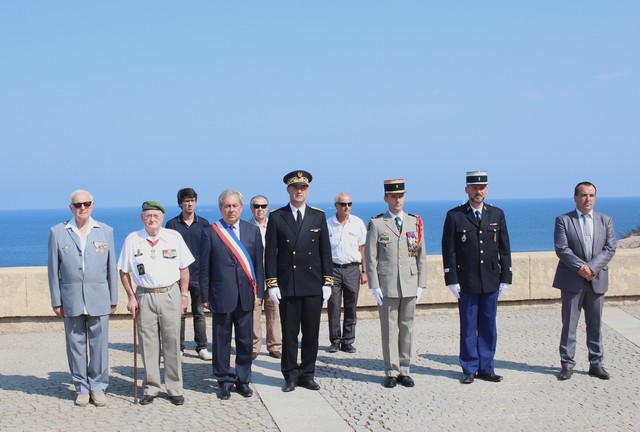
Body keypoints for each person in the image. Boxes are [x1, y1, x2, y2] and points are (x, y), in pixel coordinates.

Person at [118, 201, 194, 406]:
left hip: (170, 294)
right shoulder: (133, 240)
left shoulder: (173, 237)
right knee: (148, 344)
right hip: (144, 296)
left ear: (162, 218)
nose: (151, 219)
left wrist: (184, 295)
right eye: (148, 216)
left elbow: (184, 268)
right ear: (142, 218)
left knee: (172, 342)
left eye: (155, 216)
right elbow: (123, 271)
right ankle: (151, 387)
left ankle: (174, 388)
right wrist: (131, 296)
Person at [47, 190, 118, 407]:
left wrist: (113, 298)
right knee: (75, 345)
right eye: (78, 205)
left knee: (99, 346)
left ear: (92, 205)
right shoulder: (58, 232)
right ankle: (81, 387)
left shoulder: (106, 231)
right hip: (71, 299)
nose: (82, 208)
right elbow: (53, 270)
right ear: (71, 208)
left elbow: (111, 267)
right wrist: (56, 301)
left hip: (99, 297)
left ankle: (98, 386)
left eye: (86, 203)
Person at [265, 170, 333, 392]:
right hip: (289, 285)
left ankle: (308, 374)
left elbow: (325, 251)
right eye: (295, 187)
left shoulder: (317, 216)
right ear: (288, 190)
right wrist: (272, 283)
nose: (299, 191)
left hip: (312, 284)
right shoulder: (277, 216)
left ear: (308, 190)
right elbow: (270, 254)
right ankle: (290, 375)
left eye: (303, 188)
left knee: (311, 333)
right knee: (290, 334)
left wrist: (327, 281)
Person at [441, 171, 512, 385]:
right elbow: (449, 250)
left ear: (487, 190)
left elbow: (504, 248)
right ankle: (469, 368)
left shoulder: (497, 214)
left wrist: (506, 276)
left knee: (489, 326)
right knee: (469, 327)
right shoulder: (455, 216)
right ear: (467, 190)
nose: (478, 191)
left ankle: (486, 367)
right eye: (474, 188)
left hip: (491, 279)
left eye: (481, 188)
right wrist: (451, 279)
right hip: (467, 281)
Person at [200, 190, 264, 400]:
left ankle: (243, 380)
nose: (231, 209)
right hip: (220, 295)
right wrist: (205, 296)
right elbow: (204, 268)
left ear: (241, 207)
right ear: (221, 208)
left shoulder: (252, 231)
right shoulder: (211, 232)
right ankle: (224, 381)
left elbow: (259, 264)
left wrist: (260, 293)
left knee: (245, 341)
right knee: (221, 342)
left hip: (246, 295)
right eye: (227, 206)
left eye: (235, 205)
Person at [365, 179, 426, 388]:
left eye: (400, 196)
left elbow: (420, 255)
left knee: (407, 328)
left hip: (409, 283)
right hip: (388, 285)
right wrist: (374, 285)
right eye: (393, 196)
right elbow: (371, 257)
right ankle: (391, 370)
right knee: (389, 330)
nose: (397, 200)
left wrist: (421, 284)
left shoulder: (414, 222)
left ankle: (405, 370)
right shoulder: (377, 224)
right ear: (386, 198)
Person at [553, 181, 616, 381]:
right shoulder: (563, 220)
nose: (588, 199)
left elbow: (610, 248)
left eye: (591, 195)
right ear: (575, 197)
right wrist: (582, 268)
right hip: (571, 281)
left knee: (595, 324)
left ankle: (596, 364)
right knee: (569, 324)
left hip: (597, 280)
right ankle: (567, 364)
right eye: (583, 195)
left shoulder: (605, 220)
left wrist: (592, 268)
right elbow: (561, 248)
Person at [165, 188, 212, 361]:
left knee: (199, 313)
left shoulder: (204, 223)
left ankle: (202, 347)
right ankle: (179, 347)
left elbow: (208, 250)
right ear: (180, 203)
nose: (190, 204)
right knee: (180, 314)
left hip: (199, 275)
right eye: (186, 201)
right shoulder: (172, 224)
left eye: (192, 200)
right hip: (178, 277)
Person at [326, 192, 367, 354]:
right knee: (333, 306)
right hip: (333, 269)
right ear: (336, 205)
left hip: (352, 269)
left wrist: (364, 271)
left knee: (351, 306)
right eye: (343, 204)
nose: (347, 207)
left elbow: (362, 249)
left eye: (349, 204)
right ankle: (335, 340)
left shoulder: (358, 223)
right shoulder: (328, 224)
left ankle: (348, 341)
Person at [247, 195, 282, 359]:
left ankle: (275, 346)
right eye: (256, 206)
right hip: (254, 277)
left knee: (274, 311)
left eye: (263, 206)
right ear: (251, 208)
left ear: (267, 208)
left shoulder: (275, 226)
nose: (260, 209)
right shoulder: (246, 227)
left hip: (272, 276)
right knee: (254, 313)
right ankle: (254, 346)